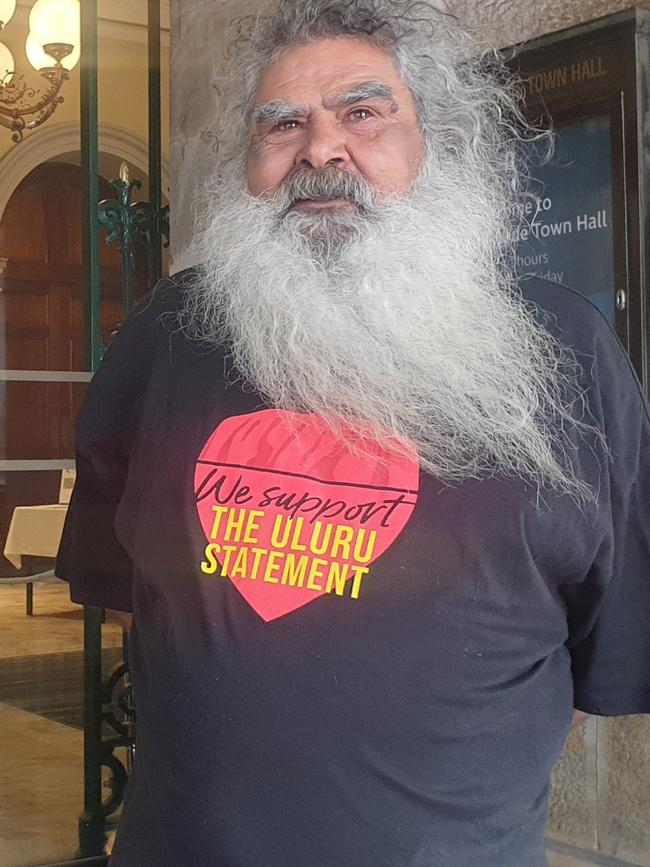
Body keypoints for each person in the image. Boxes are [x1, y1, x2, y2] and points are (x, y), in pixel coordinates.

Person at [57, 1, 650, 865]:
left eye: (364, 113)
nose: (321, 150)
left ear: (431, 141)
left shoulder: (567, 354)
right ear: (250, 161)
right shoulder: (163, 339)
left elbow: (597, 655)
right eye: (281, 123)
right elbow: (130, 601)